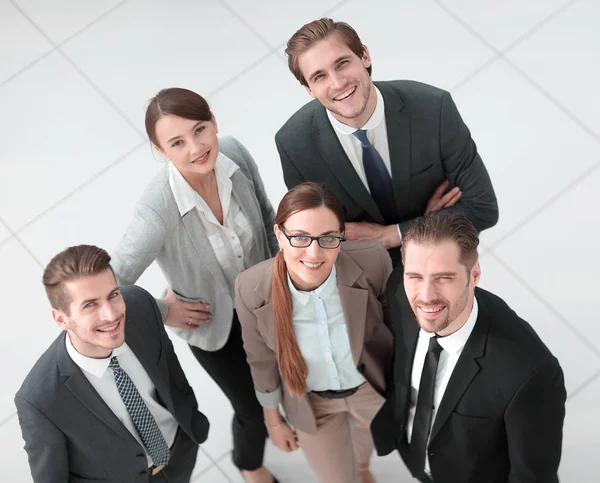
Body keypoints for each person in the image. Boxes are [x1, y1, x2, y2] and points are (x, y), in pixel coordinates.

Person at [111, 88, 278, 483]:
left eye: (200, 130)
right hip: (214, 325)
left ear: (214, 122)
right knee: (251, 409)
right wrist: (163, 309)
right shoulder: (158, 208)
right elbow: (112, 284)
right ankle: (249, 464)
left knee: (282, 379)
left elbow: (267, 214)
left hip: (265, 303)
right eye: (177, 142)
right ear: (160, 150)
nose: (196, 148)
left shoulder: (234, 153)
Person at [276, 18, 498, 265]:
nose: (338, 83)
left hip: (437, 249)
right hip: (361, 266)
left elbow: (482, 208)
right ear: (309, 89)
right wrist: (430, 218)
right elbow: (317, 239)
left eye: (342, 63)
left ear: (365, 57)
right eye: (319, 76)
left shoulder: (433, 108)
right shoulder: (295, 144)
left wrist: (395, 234)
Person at [371, 212, 566, 482]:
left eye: (444, 278)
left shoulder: (530, 374)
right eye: (415, 276)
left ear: (474, 274)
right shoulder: (401, 290)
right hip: (416, 455)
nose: (426, 297)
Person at [235, 182, 394, 483]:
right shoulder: (251, 288)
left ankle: (361, 468)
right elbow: (261, 359)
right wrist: (273, 420)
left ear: (341, 236)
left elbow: (393, 325)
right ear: (279, 235)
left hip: (369, 388)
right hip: (312, 404)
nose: (314, 252)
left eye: (327, 238)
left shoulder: (373, 260)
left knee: (365, 452)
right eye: (300, 237)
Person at [15, 245, 209, 482]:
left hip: (180, 449)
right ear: (61, 318)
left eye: (113, 295)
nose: (111, 314)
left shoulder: (140, 307)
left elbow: (170, 372)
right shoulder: (40, 400)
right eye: (90, 305)